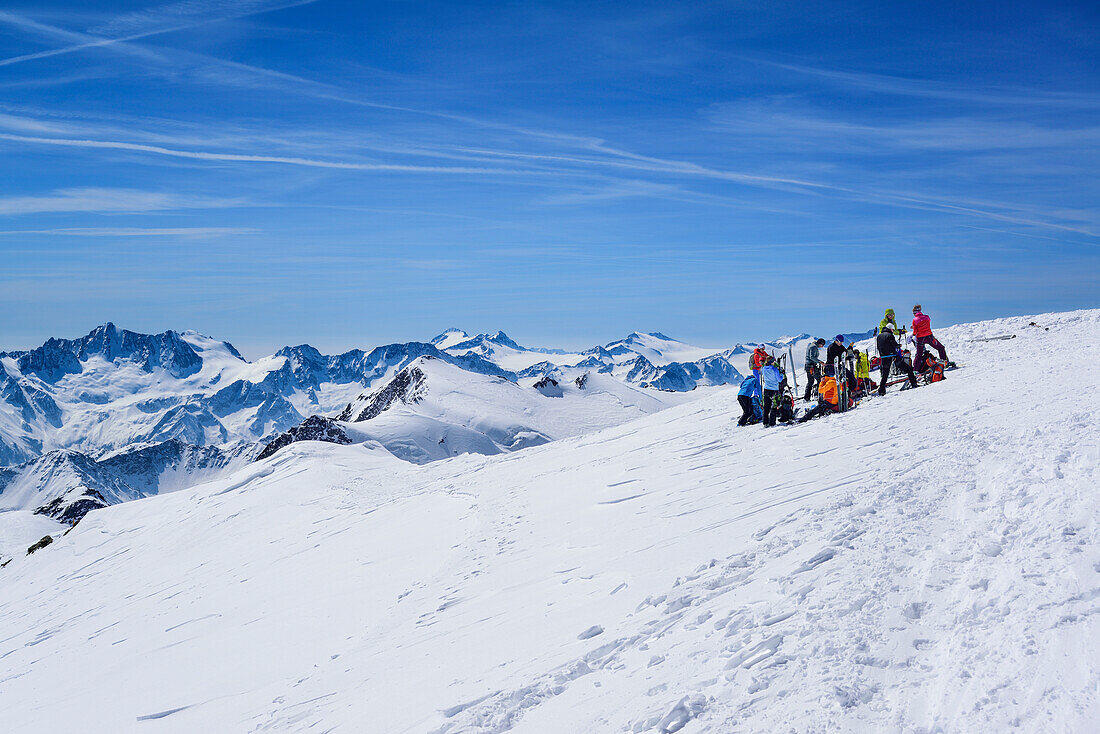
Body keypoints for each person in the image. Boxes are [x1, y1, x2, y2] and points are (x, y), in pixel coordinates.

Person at [876, 324, 918, 395]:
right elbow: (894, 345)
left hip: (883, 357)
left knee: (885, 374)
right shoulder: (890, 335)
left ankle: (882, 390)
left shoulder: (879, 336)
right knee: (908, 368)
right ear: (890, 329)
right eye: (892, 329)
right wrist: (898, 346)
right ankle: (913, 383)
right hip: (892, 355)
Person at [911, 305, 948, 373]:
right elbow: (925, 324)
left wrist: (912, 333)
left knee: (919, 354)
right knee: (941, 348)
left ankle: (915, 370)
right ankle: (944, 363)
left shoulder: (914, 320)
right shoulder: (927, 317)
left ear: (914, 313)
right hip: (929, 336)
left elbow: (915, 332)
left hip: (920, 338)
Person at [760, 357, 785, 427]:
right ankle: (772, 422)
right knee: (774, 405)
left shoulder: (764, 368)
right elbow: (779, 379)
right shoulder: (774, 369)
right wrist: (782, 374)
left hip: (766, 389)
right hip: (774, 389)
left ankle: (765, 422)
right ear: (772, 362)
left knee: (766, 406)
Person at [803, 338, 825, 402]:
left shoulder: (812, 345)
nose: (822, 347)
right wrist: (819, 362)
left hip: (809, 366)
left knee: (810, 381)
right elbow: (812, 357)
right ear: (820, 344)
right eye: (822, 345)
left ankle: (806, 397)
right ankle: (816, 394)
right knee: (819, 379)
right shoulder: (814, 347)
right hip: (811, 366)